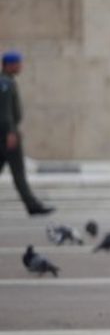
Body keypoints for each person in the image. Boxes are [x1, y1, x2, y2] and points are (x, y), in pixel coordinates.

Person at [0, 51, 54, 216]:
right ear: (10, 65)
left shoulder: (7, 81)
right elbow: (5, 111)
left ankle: (32, 205)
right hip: (7, 135)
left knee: (18, 173)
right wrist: (10, 132)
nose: (21, 66)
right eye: (18, 63)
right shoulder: (5, 84)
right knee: (18, 173)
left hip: (6, 133)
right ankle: (32, 206)